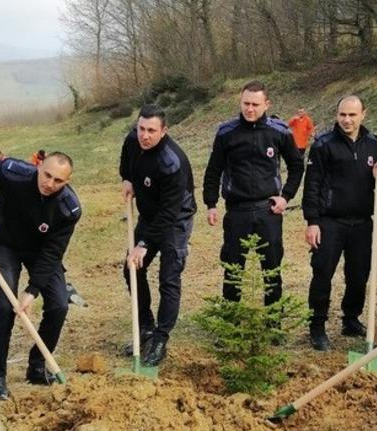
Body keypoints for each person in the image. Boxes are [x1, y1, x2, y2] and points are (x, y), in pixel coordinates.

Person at [0, 151, 80, 400]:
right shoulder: (13, 173)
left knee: (59, 305)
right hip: (5, 244)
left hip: (40, 252)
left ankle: (37, 366)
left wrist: (33, 290)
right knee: (5, 306)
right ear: (39, 167)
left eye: (58, 181)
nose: (49, 183)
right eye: (47, 175)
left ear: (68, 181)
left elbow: (53, 252)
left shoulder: (68, 209)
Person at [203, 80, 304, 306]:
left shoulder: (279, 132)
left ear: (267, 104)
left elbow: (297, 166)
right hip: (236, 211)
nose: (250, 109)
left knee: (272, 268)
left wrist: (286, 196)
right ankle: (231, 317)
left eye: (255, 105)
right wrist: (211, 203)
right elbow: (213, 170)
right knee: (233, 268)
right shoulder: (226, 133)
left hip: (268, 210)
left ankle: (273, 319)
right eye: (246, 103)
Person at [302, 96, 377, 351]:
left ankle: (351, 319)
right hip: (330, 222)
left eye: (352, 115)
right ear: (337, 115)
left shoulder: (373, 145)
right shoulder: (323, 145)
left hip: (362, 222)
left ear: (363, 114)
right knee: (322, 274)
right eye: (342, 115)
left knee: (358, 275)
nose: (347, 120)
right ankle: (317, 326)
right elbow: (312, 185)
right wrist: (312, 221)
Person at [119, 104, 196, 366]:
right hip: (150, 214)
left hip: (175, 219)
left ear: (164, 131)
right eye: (141, 128)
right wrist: (127, 178)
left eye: (151, 131)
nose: (145, 135)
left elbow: (169, 213)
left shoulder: (172, 163)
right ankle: (146, 327)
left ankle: (161, 339)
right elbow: (126, 158)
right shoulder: (133, 139)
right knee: (132, 268)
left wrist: (144, 243)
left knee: (168, 278)